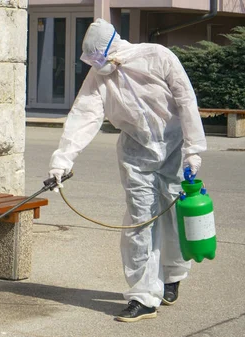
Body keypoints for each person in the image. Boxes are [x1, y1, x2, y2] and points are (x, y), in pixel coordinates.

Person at [47, 19, 207, 322]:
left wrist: (193, 149)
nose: (97, 64)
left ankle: (172, 275)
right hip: (137, 154)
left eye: (98, 58)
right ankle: (143, 296)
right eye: (92, 61)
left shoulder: (157, 56)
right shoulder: (98, 77)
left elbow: (186, 100)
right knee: (140, 221)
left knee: (173, 213)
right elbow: (84, 115)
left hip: (173, 147)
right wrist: (62, 161)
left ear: (113, 47)